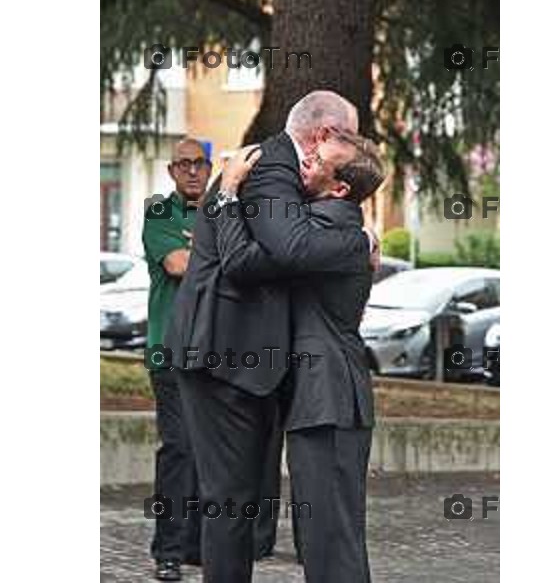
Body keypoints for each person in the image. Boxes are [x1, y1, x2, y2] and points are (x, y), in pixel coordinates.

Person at [165, 90, 374, 582]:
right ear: (325, 134)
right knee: (231, 499)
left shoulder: (314, 195)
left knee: (251, 502)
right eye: (346, 135)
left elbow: (294, 252)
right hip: (220, 357)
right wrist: (225, 198)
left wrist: (351, 239)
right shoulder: (268, 169)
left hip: (258, 366)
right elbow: (281, 250)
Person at [213, 130, 385, 582]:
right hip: (320, 398)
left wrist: (229, 193)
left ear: (341, 188)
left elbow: (256, 256)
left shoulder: (336, 235)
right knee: (324, 535)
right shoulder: (335, 227)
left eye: (318, 159)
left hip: (329, 396)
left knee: (331, 539)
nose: (304, 160)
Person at [142, 138, 210, 581]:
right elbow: (178, 264)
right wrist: (212, 248)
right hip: (169, 352)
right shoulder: (160, 212)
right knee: (180, 451)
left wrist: (202, 245)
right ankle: (167, 550)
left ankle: (198, 547)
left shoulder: (223, 211)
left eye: (198, 164)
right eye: (182, 165)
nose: (191, 171)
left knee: (209, 455)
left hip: (214, 354)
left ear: (208, 169)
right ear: (171, 172)